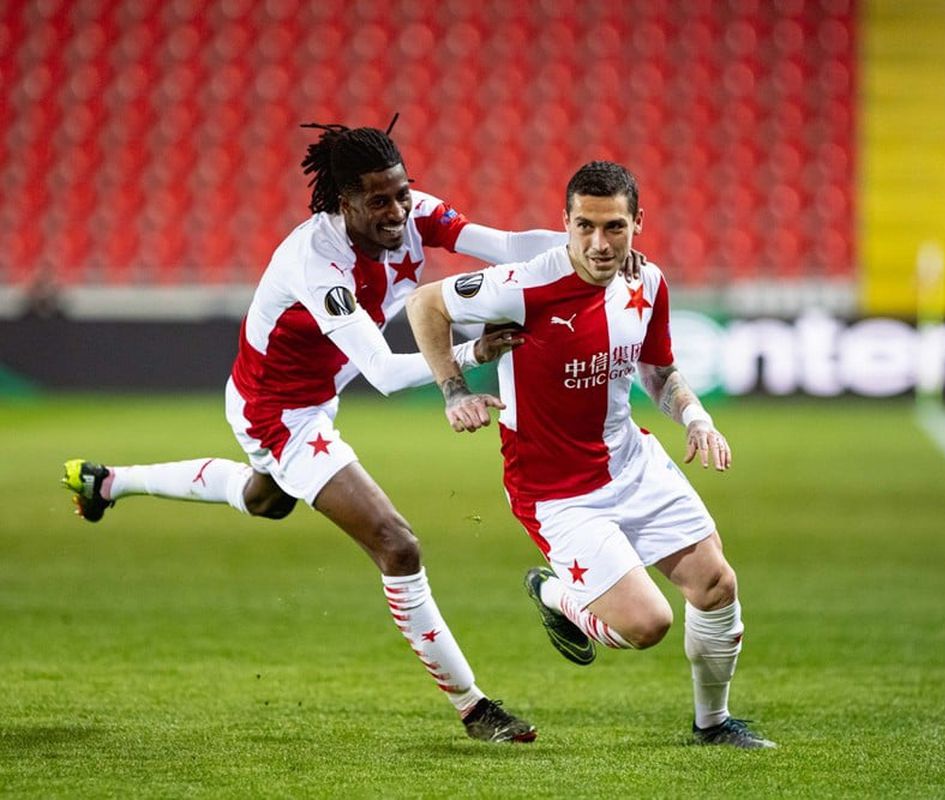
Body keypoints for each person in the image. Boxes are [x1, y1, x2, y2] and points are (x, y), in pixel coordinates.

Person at [61, 120, 574, 743]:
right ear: (342, 201)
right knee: (397, 543)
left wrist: (594, 250)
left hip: (317, 396)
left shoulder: (416, 216)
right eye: (377, 201)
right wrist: (470, 356)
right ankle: (474, 707)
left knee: (265, 498)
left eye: (401, 193)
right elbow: (383, 372)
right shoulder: (315, 261)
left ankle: (108, 483)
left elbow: (513, 244)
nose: (396, 212)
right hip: (276, 410)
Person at [405, 161, 776, 749]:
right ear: (565, 224)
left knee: (716, 585)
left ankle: (713, 725)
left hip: (631, 461)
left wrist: (697, 417)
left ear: (637, 224)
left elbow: (658, 371)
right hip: (556, 492)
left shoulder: (647, 281)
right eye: (585, 227)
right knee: (647, 625)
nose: (599, 244)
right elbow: (425, 305)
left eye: (614, 228)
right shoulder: (523, 285)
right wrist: (453, 389)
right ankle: (552, 592)